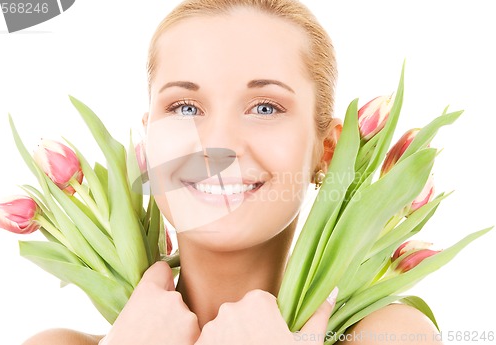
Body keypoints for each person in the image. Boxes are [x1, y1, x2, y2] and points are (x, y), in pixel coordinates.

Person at [23, 0, 441, 344]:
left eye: (265, 108)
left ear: (327, 150)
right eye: (185, 109)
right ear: (150, 138)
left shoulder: (389, 336)